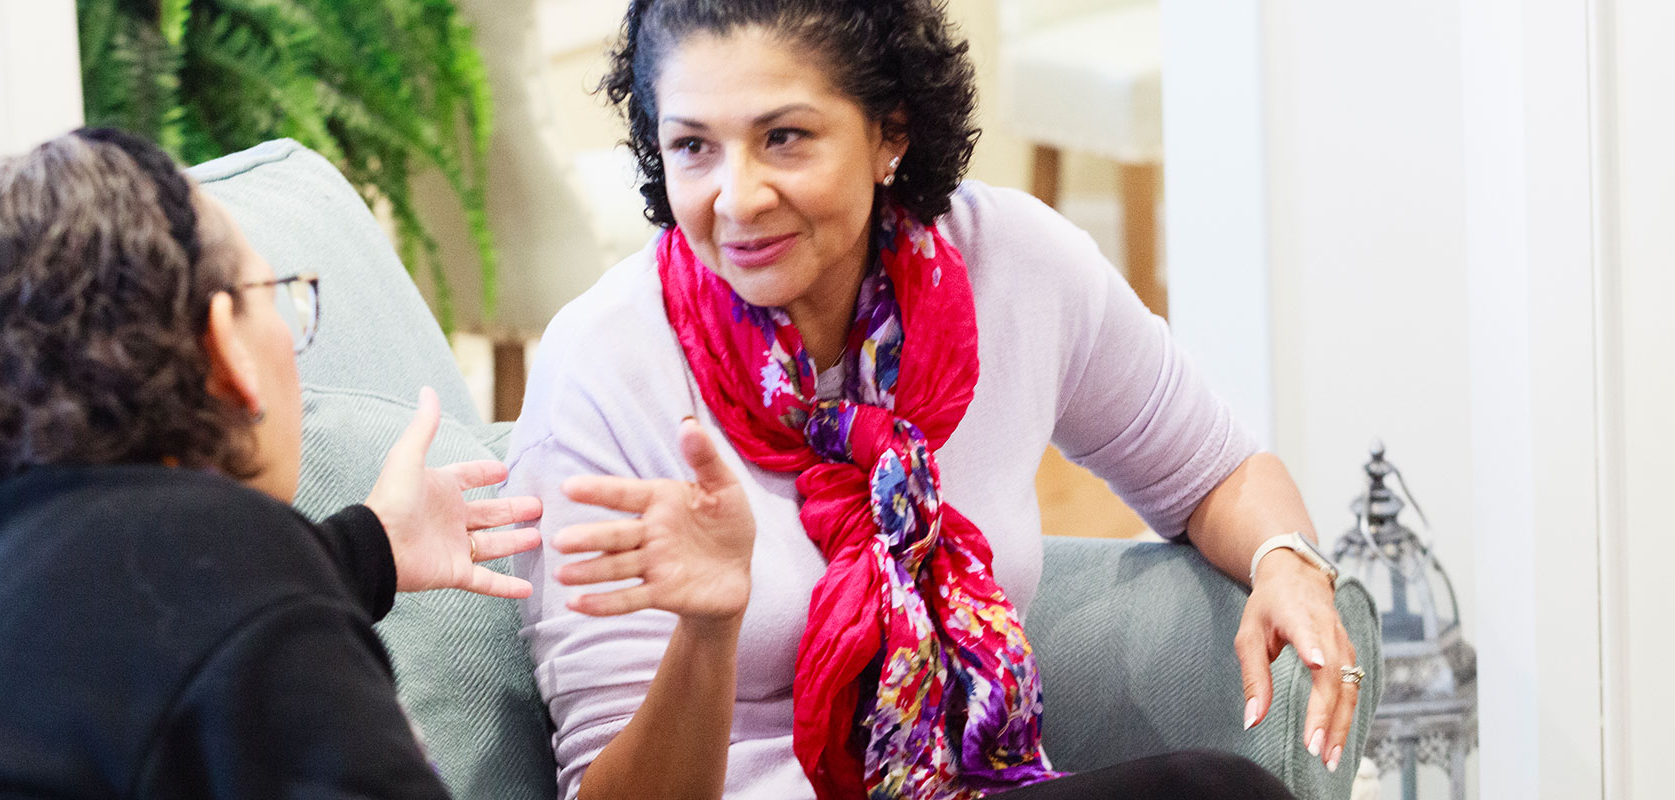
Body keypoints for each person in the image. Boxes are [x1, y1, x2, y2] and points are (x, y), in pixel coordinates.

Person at [503, 1, 1361, 798]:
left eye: (786, 138)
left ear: (891, 135)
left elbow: (1217, 472)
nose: (737, 197)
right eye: (693, 146)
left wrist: (1285, 557)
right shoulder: (604, 366)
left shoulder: (1012, 265)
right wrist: (707, 629)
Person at [0, 128, 541, 799]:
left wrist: (370, 545)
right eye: (276, 298)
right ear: (225, 344)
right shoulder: (235, 565)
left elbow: (130, 628)